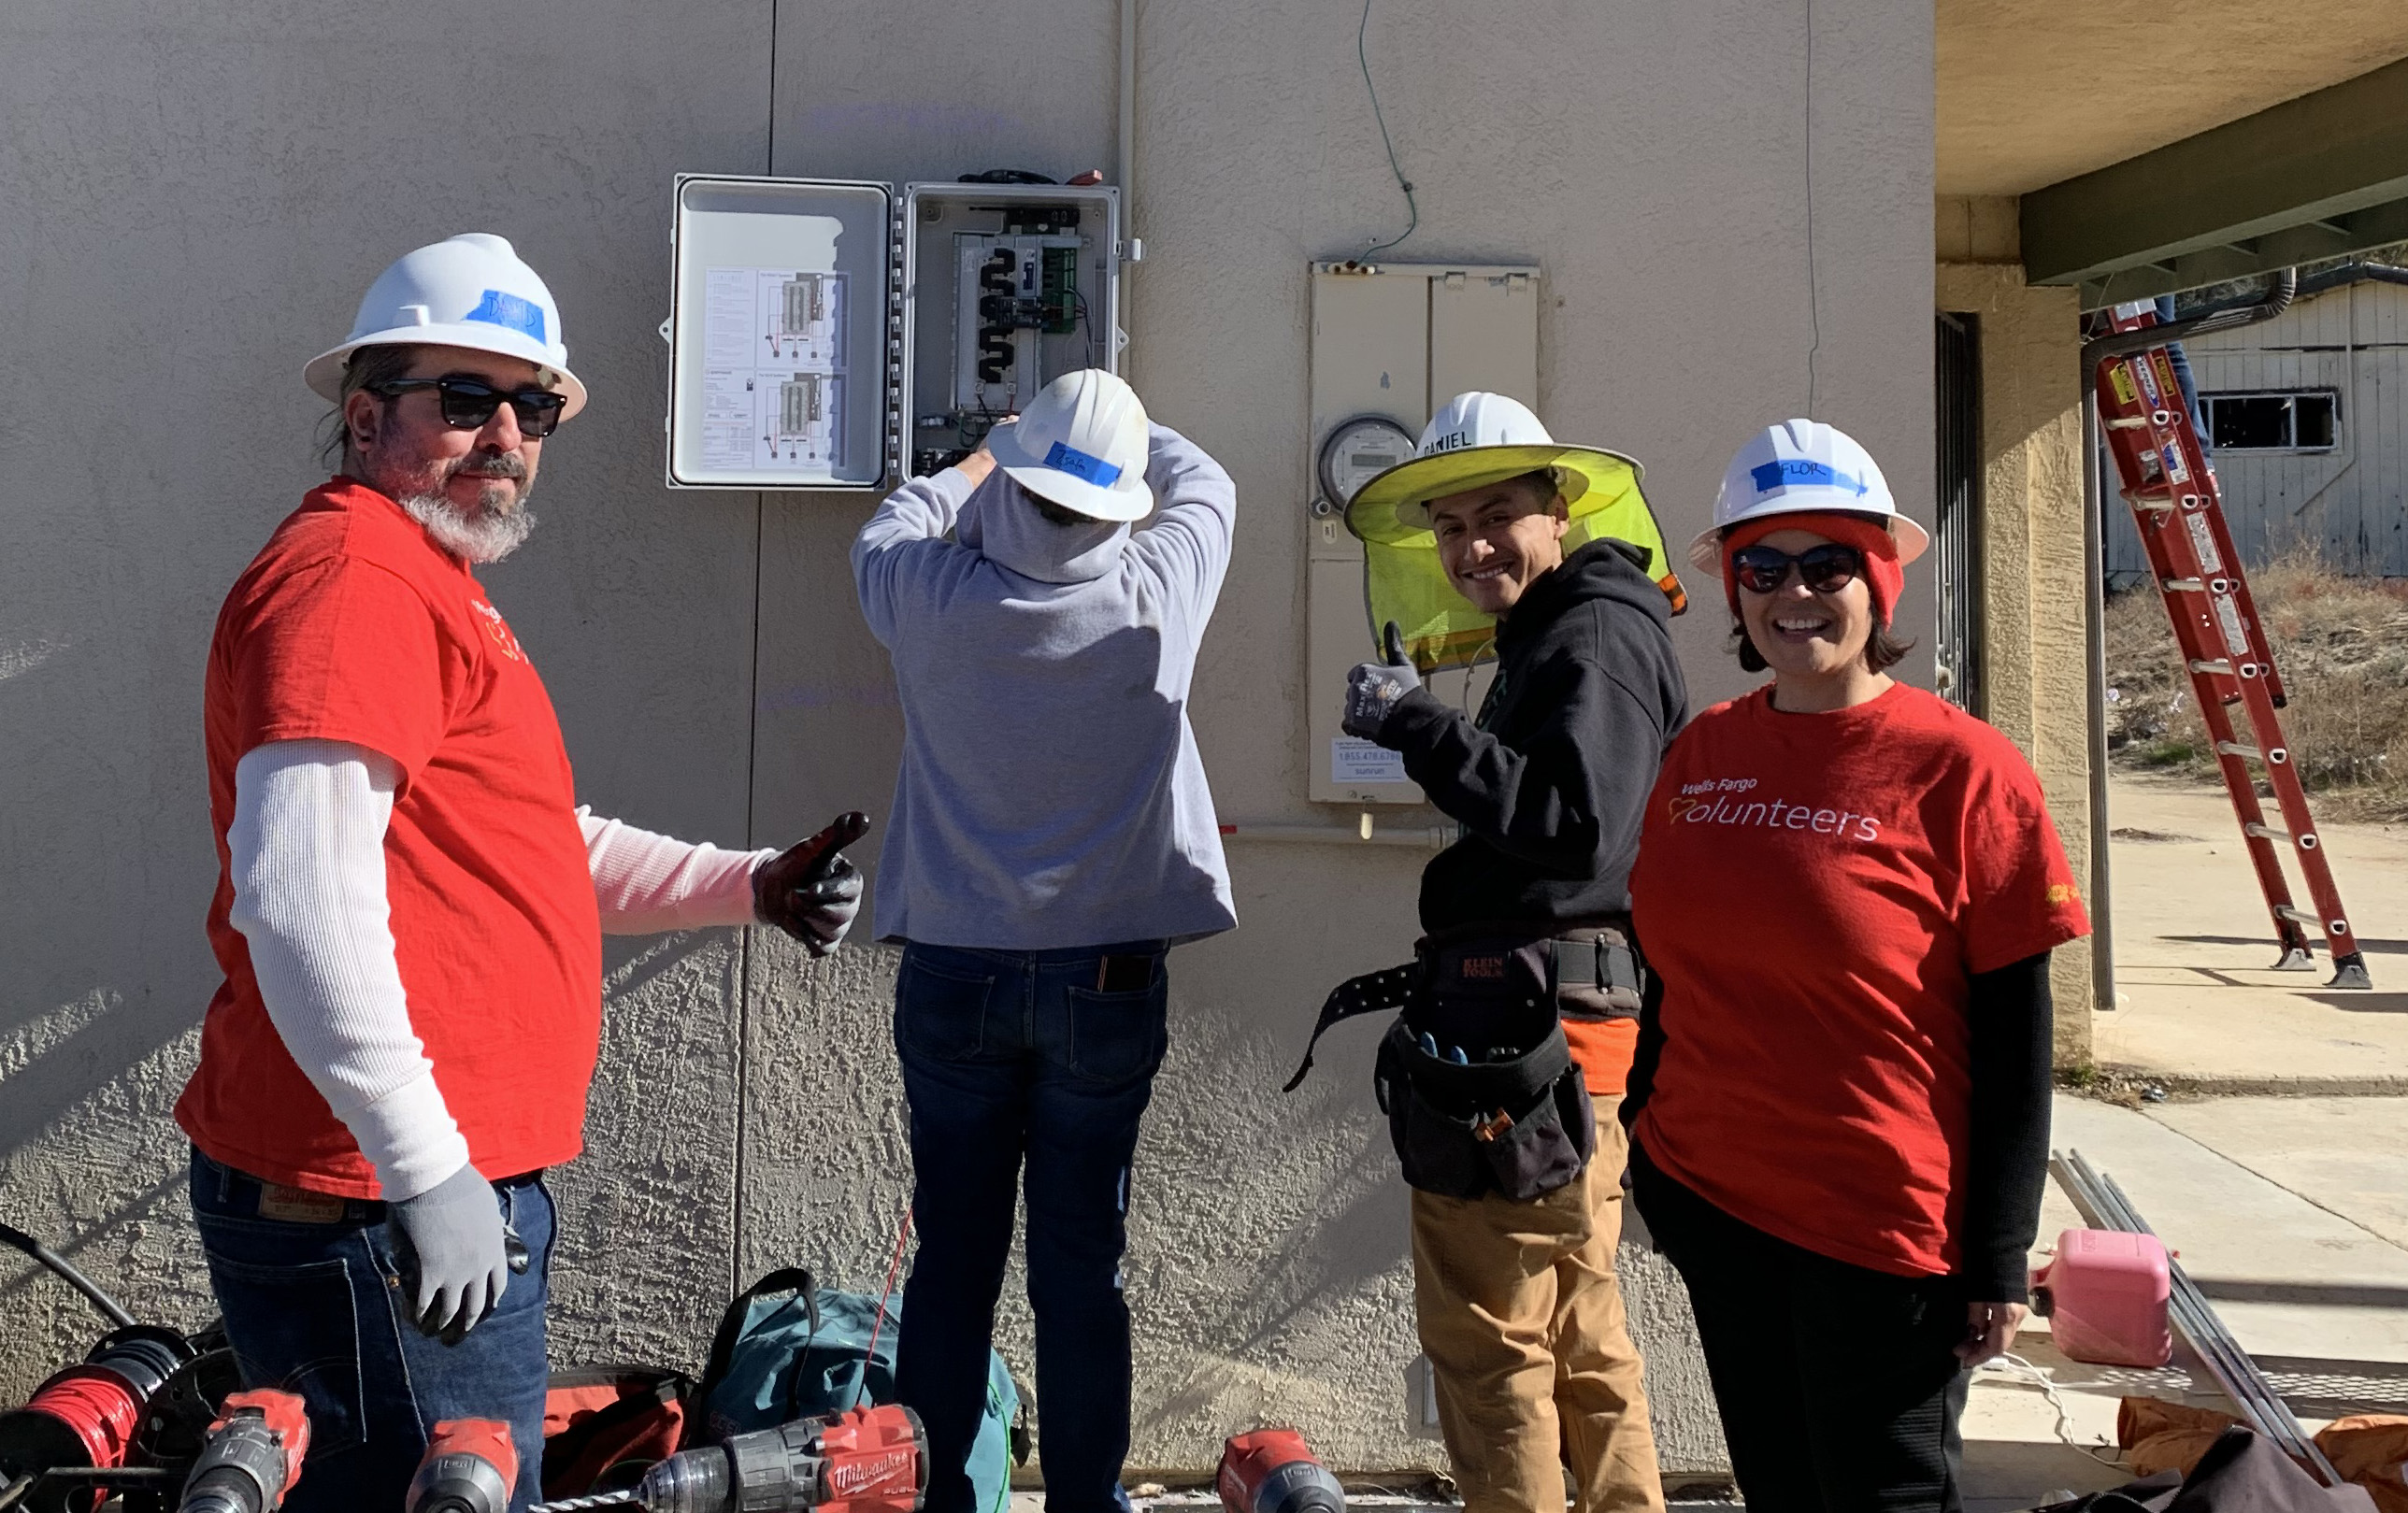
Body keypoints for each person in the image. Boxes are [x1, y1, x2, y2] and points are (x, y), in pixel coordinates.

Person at [177, 233, 867, 1513]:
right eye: (465, 398)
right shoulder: (352, 582)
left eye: (532, 404)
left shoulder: (422, 579)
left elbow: (533, 840)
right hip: (371, 1209)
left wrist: (749, 881)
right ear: (365, 413)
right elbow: (298, 891)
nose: (505, 431)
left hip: (400, 1195)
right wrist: (424, 1166)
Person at [1622, 419, 2091, 1512]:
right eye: (1763, 566)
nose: (1796, 592)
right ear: (1733, 591)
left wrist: (1994, 1250)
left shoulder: (1962, 768)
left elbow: (2017, 1034)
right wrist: (1651, 1135)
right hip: (1714, 1200)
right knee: (1779, 1492)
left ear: (1878, 582)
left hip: (1878, 1231)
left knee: (1879, 1497)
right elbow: (1669, 968)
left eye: (1828, 561)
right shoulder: (1704, 752)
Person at [851, 369, 1237, 1513]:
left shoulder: (925, 590)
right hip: (1106, 980)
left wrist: (996, 442)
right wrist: (1120, 416)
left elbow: (899, 512)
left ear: (1012, 477)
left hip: (953, 972)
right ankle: (1083, 1498)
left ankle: (939, 1500)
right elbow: (1202, 481)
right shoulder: (1158, 586)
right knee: (1081, 1267)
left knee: (952, 1265)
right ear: (1118, 502)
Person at [1334, 392, 1684, 1513]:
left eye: (1495, 514)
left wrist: (1417, 725)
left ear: (1559, 511)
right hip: (1564, 1037)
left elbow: (1571, 825)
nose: (1469, 544)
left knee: (1488, 1346)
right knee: (1579, 1334)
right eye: (1446, 526)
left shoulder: (1589, 632)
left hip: (1525, 1039)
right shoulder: (1574, 627)